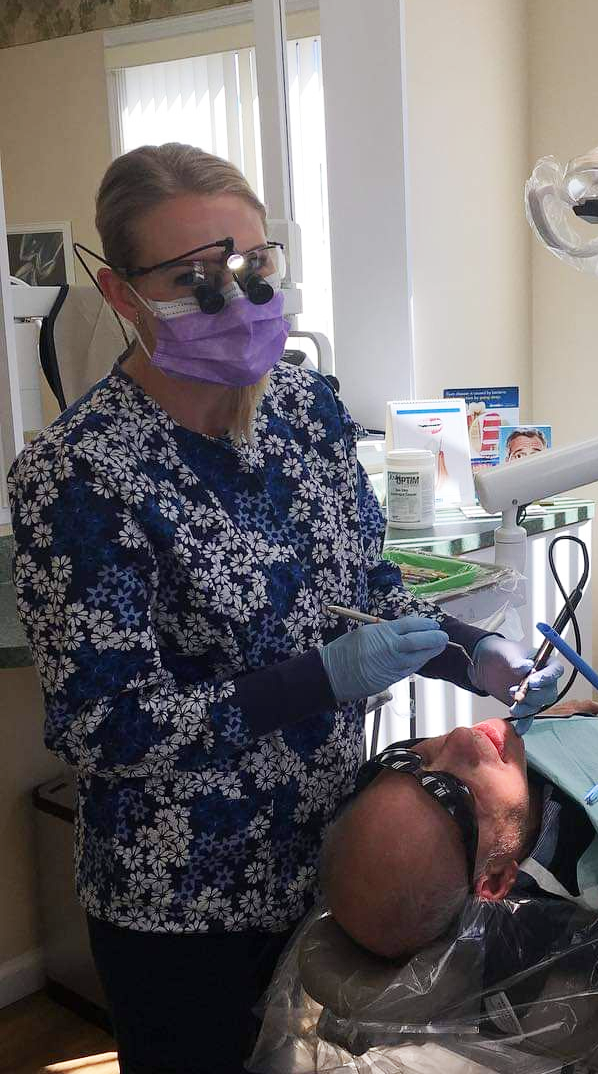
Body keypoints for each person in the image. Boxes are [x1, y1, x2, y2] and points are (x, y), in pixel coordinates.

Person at [6, 143, 560, 1074]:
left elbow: (364, 594)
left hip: (330, 862)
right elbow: (105, 728)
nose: (239, 296)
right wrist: (315, 683)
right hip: (183, 900)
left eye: (254, 265)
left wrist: (469, 653)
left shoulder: (305, 412)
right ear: (123, 297)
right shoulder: (80, 475)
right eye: (196, 277)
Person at [320, 709, 598, 985]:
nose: (459, 735)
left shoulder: (496, 776)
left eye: (409, 760)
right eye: (451, 793)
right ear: (496, 878)